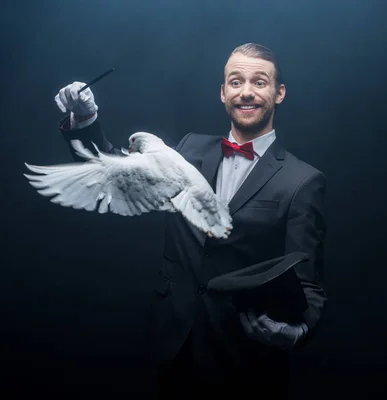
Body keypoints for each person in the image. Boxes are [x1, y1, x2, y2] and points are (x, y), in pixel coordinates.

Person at [54, 43, 327, 396]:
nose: (246, 92)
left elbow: (310, 284)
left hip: (245, 360)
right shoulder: (187, 149)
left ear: (279, 93)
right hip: (172, 347)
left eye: (259, 82)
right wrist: (86, 119)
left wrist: (299, 332)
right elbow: (110, 170)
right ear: (223, 92)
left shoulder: (302, 180)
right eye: (235, 81)